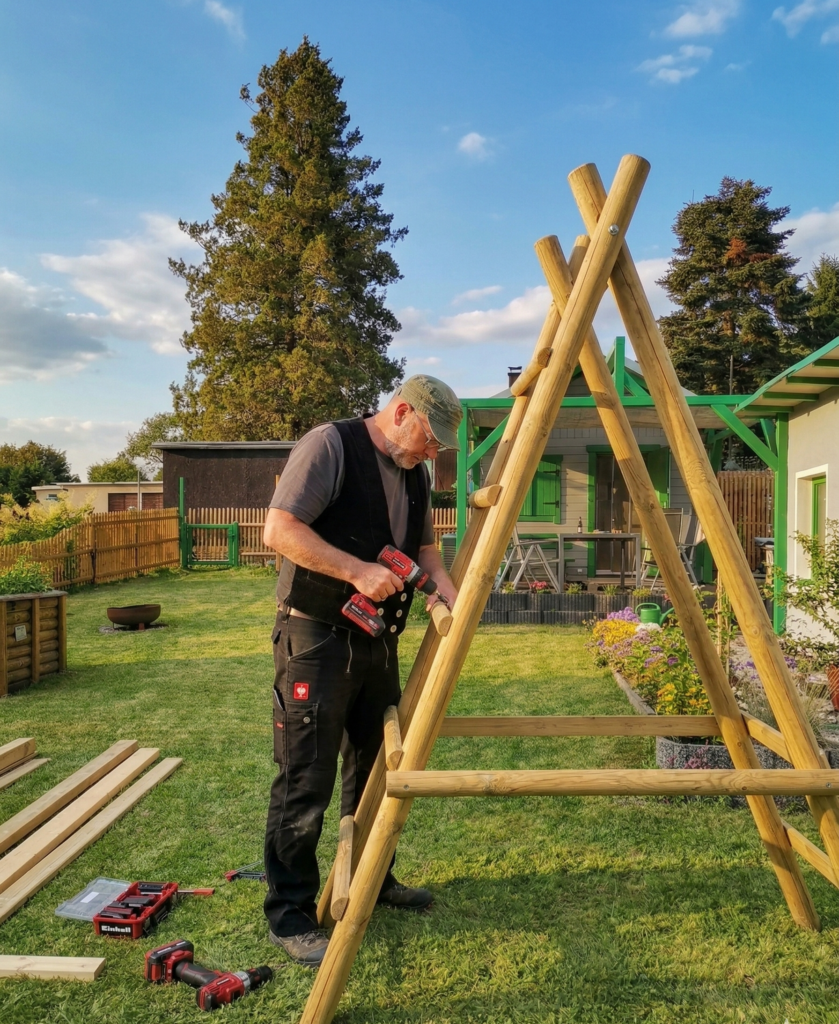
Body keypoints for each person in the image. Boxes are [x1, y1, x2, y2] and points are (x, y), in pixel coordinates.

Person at [262, 375, 462, 967]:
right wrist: (353, 571)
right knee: (306, 774)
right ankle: (291, 911)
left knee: (377, 766)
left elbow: (424, 549)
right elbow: (279, 529)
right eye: (431, 439)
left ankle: (375, 878)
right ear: (401, 412)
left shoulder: (416, 473)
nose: (434, 453)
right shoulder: (329, 445)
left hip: (377, 640)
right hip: (315, 636)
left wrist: (443, 592)